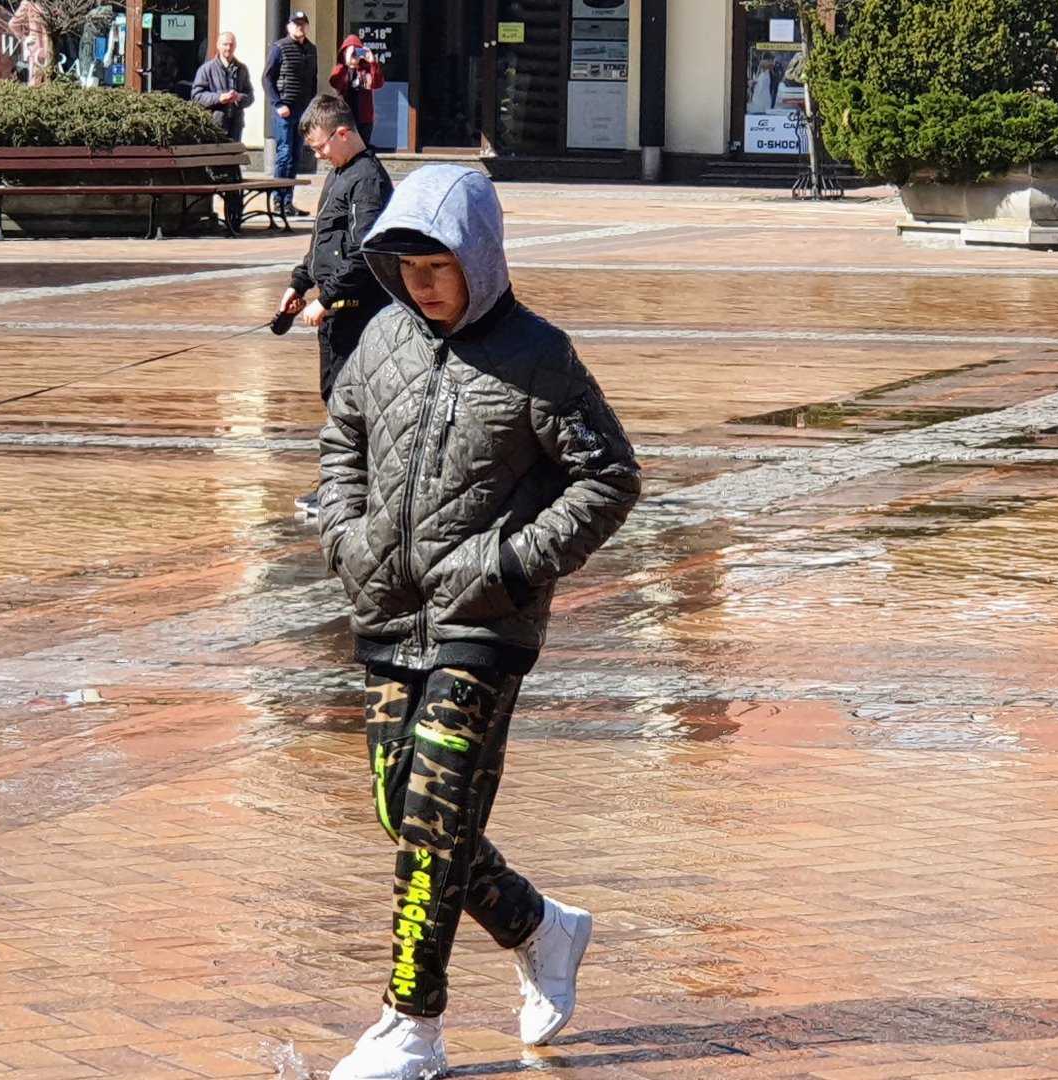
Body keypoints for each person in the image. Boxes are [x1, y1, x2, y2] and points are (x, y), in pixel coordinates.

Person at [315, 164, 641, 1080]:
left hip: (485, 626)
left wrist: (509, 564)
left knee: (433, 818)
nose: (420, 284)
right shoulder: (381, 339)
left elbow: (609, 476)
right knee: (401, 809)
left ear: (480, 259)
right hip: (389, 609)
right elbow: (343, 442)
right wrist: (345, 536)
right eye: (406, 267)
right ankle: (540, 927)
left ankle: (411, 1027)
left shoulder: (539, 355)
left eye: (438, 266)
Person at [280, 93, 392, 518]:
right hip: (334, 312)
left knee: (351, 404)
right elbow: (324, 242)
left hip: (356, 312)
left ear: (342, 133)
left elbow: (365, 251)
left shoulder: (368, 180)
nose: (318, 155)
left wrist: (326, 298)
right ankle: (342, 485)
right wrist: (299, 283)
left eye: (320, 146)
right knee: (336, 397)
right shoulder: (340, 173)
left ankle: (347, 490)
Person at [263, 10, 319, 216]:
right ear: (288, 27)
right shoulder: (279, 47)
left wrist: (312, 106)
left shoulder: (311, 50)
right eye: (296, 24)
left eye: (303, 23)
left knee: (296, 155)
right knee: (284, 154)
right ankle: (278, 201)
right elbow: (267, 78)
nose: (300, 27)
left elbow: (313, 79)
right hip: (284, 110)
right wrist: (277, 104)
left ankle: (288, 202)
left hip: (303, 110)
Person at [190, 32, 254, 143]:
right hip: (214, 126)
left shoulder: (242, 69)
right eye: (225, 44)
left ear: (235, 46)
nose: (228, 48)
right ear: (218, 45)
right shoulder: (206, 69)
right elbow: (197, 96)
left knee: (234, 154)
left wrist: (239, 97)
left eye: (231, 45)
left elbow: (250, 96)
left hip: (236, 126)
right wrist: (219, 98)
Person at [329, 34, 385, 146]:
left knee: (362, 148)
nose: (355, 56)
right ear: (344, 53)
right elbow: (335, 82)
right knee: (345, 149)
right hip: (344, 118)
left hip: (364, 119)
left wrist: (372, 63)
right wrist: (347, 64)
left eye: (357, 53)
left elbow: (377, 83)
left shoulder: (366, 70)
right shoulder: (340, 69)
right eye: (352, 53)